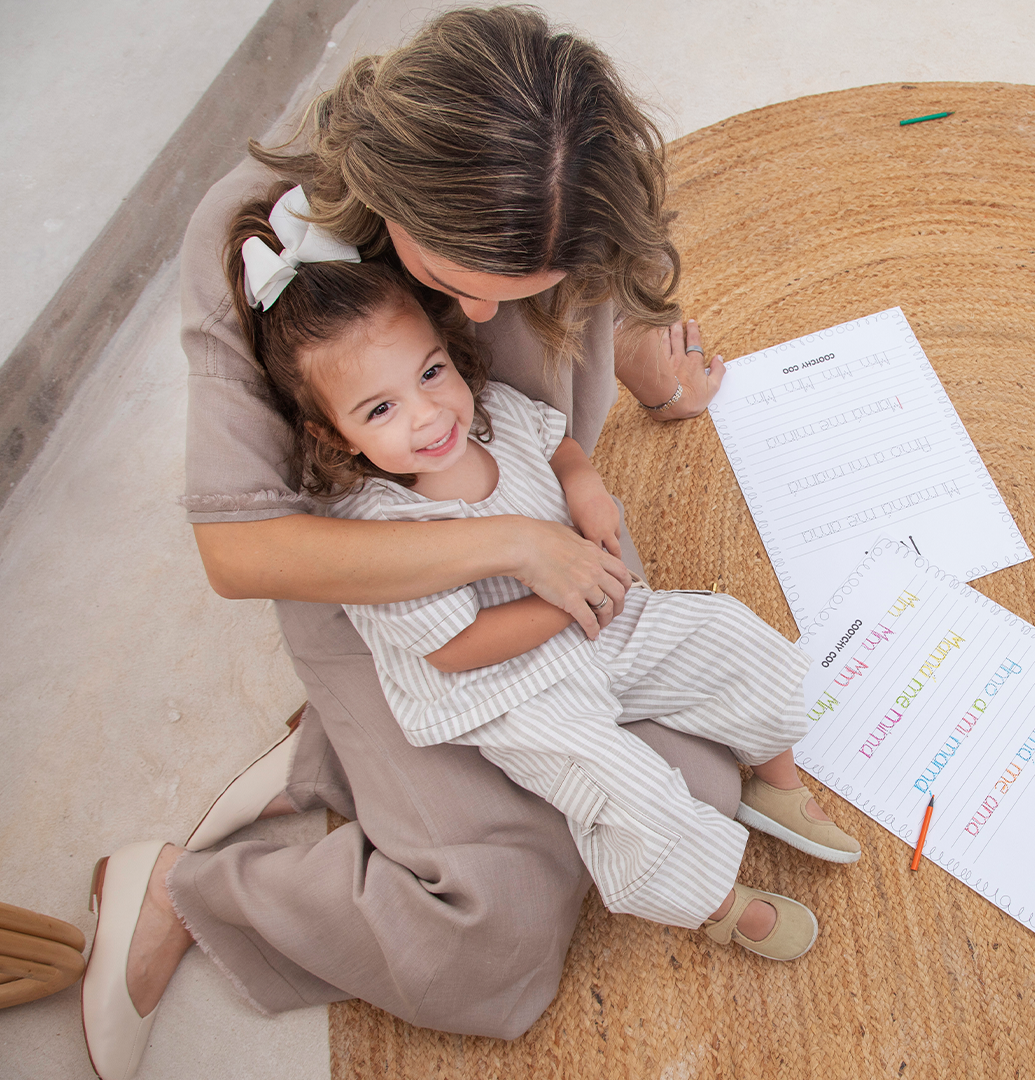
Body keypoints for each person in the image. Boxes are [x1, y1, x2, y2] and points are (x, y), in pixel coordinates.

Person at [80, 9, 858, 1080]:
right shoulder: (257, 237)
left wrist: (646, 368)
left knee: (694, 784)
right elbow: (241, 553)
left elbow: (593, 300)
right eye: (459, 283)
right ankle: (184, 883)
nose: (484, 316)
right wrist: (512, 548)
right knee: (491, 940)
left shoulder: (548, 184)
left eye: (523, 293)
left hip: (548, 542)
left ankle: (340, 764)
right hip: (387, 597)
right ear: (392, 200)